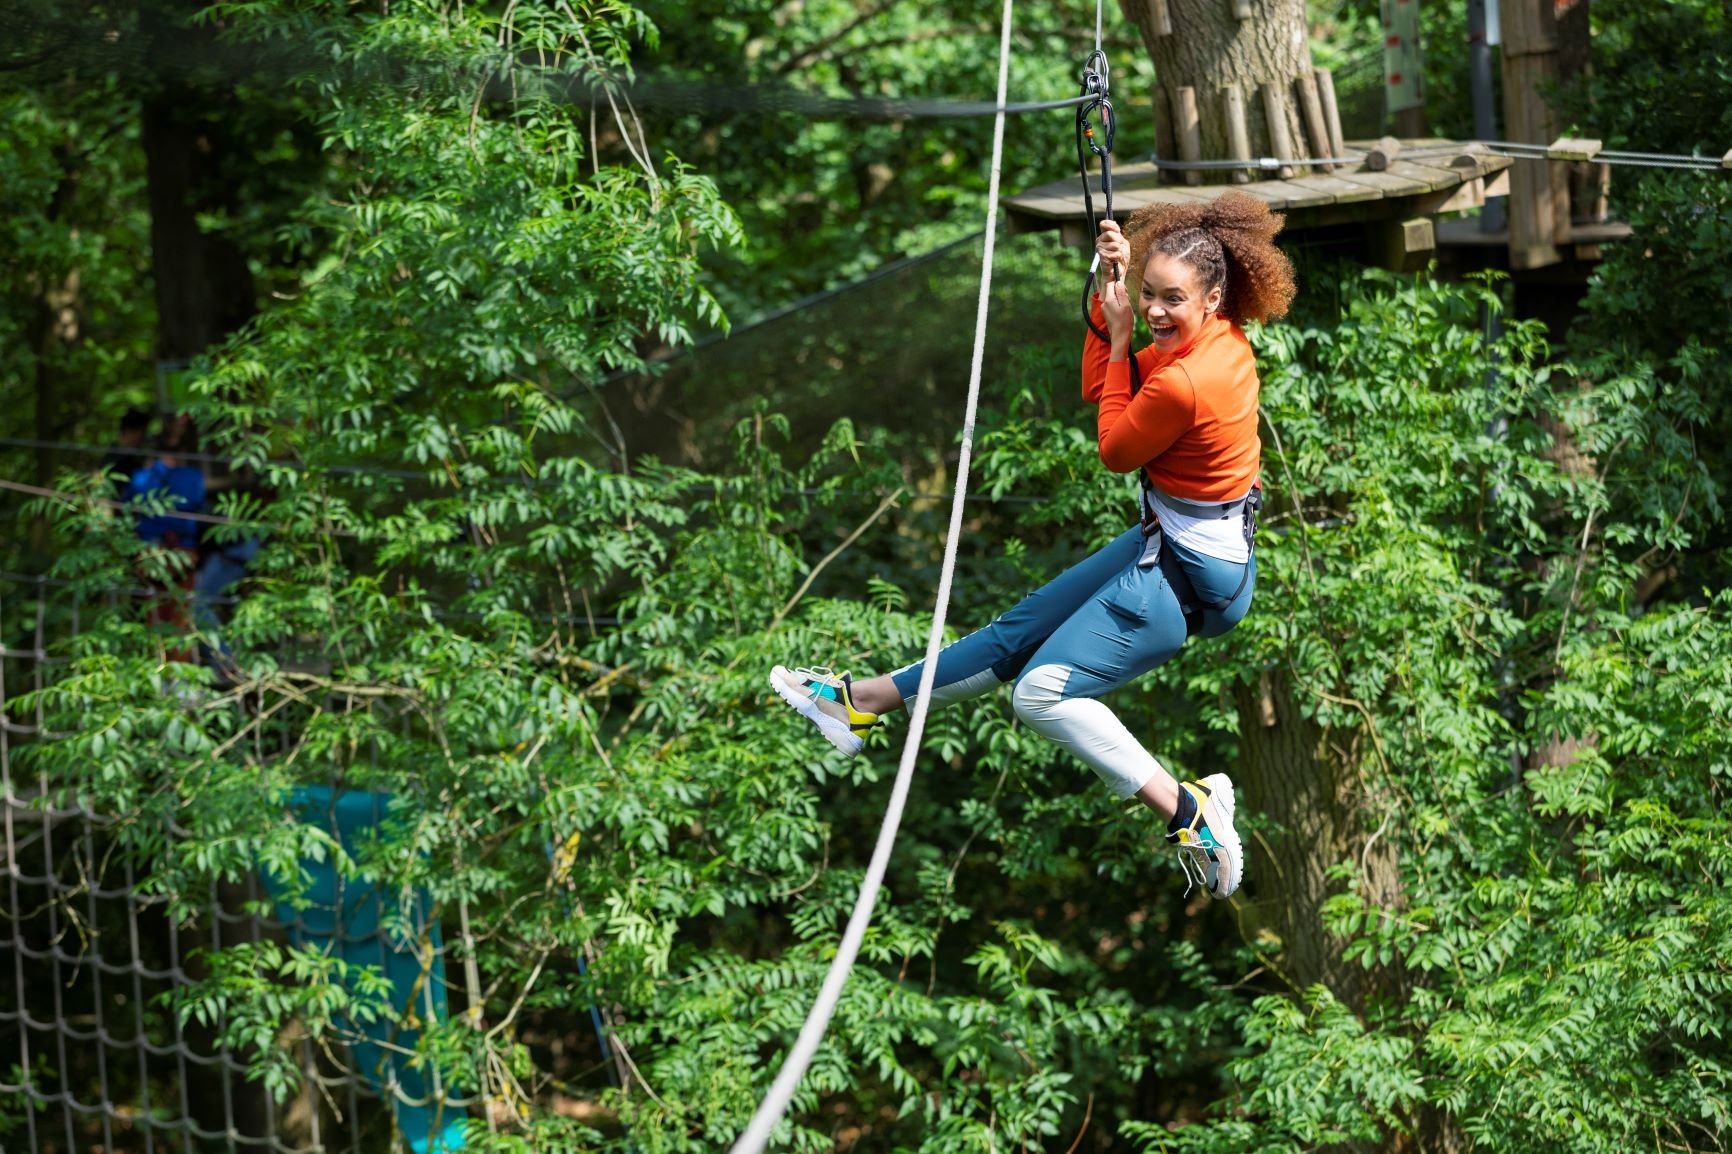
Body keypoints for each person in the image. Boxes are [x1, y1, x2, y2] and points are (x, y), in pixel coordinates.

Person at [770, 191, 1297, 900]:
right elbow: (1100, 383)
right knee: (1018, 632)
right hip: (1176, 544)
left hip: (1192, 577)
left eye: (1173, 299)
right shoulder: (1213, 340)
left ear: (1213, 301)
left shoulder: (1188, 378)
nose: (1155, 312)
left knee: (1040, 695)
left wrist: (1116, 337)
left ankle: (1190, 810)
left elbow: (1113, 446)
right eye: (1148, 294)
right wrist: (1105, 288)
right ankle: (856, 703)